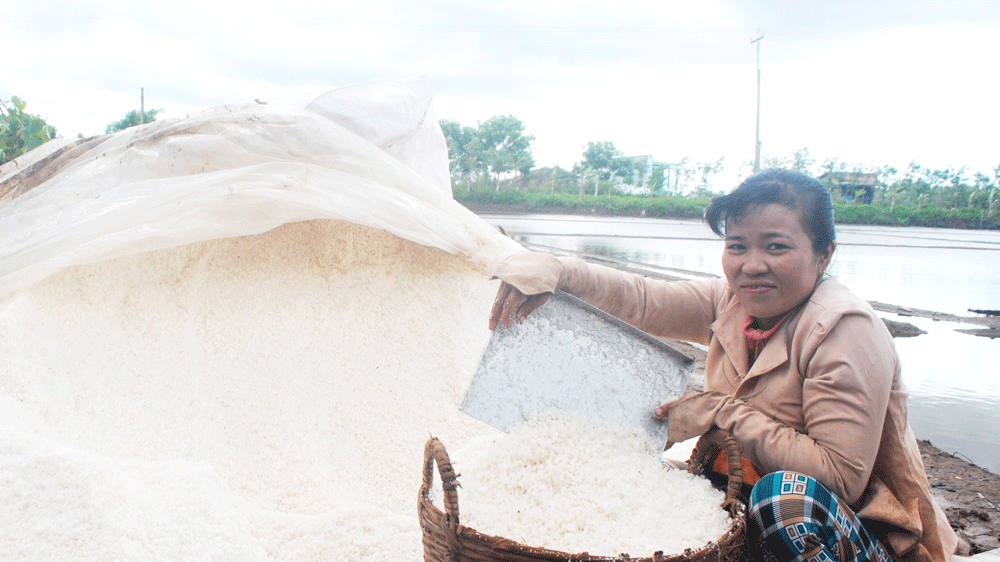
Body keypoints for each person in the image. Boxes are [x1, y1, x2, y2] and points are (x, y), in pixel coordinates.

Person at [487, 169, 959, 562]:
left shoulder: (842, 330)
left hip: (852, 532)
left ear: (824, 253)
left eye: (776, 247)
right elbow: (645, 300)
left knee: (784, 500)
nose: (752, 264)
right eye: (737, 245)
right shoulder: (733, 301)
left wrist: (720, 412)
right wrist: (560, 272)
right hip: (745, 503)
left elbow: (839, 478)